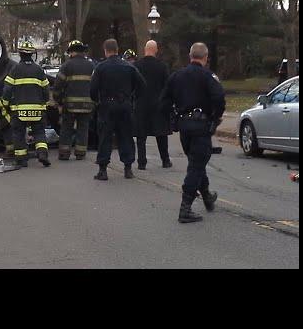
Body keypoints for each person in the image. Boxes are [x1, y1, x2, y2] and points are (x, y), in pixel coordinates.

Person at [160, 42, 225, 223]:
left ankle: (206, 196)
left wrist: (173, 117)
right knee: (196, 165)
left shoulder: (177, 76)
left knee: (197, 161)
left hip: (184, 127)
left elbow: (163, 101)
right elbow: (219, 97)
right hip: (201, 126)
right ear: (205, 58)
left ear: (190, 57)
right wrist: (216, 117)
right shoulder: (208, 76)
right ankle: (185, 208)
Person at [90, 39, 146, 181]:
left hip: (107, 105)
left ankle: (103, 170)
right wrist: (131, 97)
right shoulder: (129, 67)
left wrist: (97, 101)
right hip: (125, 105)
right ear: (117, 49)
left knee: (105, 137)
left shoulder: (101, 68)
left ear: (105, 50)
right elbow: (142, 85)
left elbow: (93, 89)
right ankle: (128, 168)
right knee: (126, 136)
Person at [1, 40, 51, 168]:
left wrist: (5, 103)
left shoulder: (15, 69)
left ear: (20, 54)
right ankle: (42, 154)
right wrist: (44, 101)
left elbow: (7, 90)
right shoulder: (39, 70)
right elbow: (46, 89)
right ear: (32, 54)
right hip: (38, 110)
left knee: (18, 133)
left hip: (19, 110)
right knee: (39, 132)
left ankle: (22, 160)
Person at [53, 40, 96, 161]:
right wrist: (94, 102)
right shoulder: (91, 66)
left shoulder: (67, 65)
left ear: (72, 52)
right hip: (87, 104)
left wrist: (58, 101)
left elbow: (58, 86)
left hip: (70, 105)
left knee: (66, 128)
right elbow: (96, 85)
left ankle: (64, 153)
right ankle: (80, 153)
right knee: (83, 129)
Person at [133, 40, 172, 170]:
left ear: (145, 50)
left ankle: (141, 162)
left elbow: (133, 85)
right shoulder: (162, 66)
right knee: (161, 134)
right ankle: (165, 160)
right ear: (156, 50)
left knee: (141, 135)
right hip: (158, 103)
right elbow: (168, 86)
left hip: (141, 103)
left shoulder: (137, 65)